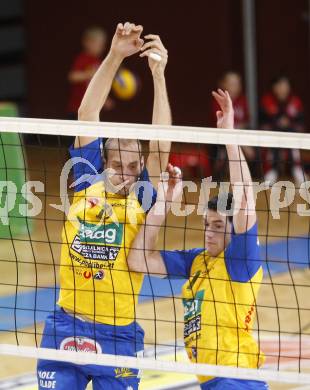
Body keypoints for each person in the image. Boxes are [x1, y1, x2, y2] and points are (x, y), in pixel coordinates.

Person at [37, 22, 171, 390]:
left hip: (118, 336)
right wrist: (114, 55)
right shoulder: (84, 181)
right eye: (118, 165)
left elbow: (162, 145)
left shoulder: (142, 198)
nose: (126, 174)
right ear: (103, 161)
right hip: (66, 325)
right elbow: (87, 113)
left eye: (133, 167)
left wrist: (158, 76)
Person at [128, 90, 268, 389]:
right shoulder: (197, 261)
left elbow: (245, 200)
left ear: (234, 231)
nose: (209, 232)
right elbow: (138, 259)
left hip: (235, 379)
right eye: (207, 224)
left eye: (218, 225)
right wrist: (161, 206)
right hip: (212, 380)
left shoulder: (239, 262)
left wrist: (229, 137)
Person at [260, 75, 306, 185]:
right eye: (279, 86)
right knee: (272, 137)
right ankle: (272, 170)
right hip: (273, 136)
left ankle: (297, 168)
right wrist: (278, 124)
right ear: (274, 87)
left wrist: (288, 124)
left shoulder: (296, 101)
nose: (282, 89)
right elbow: (262, 122)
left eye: (285, 86)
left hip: (292, 136)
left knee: (293, 137)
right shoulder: (266, 100)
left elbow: (300, 122)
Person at [210, 71, 256, 177]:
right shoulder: (218, 101)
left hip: (240, 135)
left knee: (251, 152)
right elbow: (220, 125)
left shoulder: (242, 100)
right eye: (232, 83)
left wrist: (238, 133)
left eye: (238, 83)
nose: (236, 86)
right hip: (220, 140)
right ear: (223, 84)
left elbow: (246, 121)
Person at [67, 26, 112, 118]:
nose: (103, 48)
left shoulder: (98, 62)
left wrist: (105, 99)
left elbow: (98, 85)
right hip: (77, 108)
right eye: (99, 44)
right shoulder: (82, 59)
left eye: (103, 45)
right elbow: (72, 76)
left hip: (93, 110)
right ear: (88, 42)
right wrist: (88, 74)